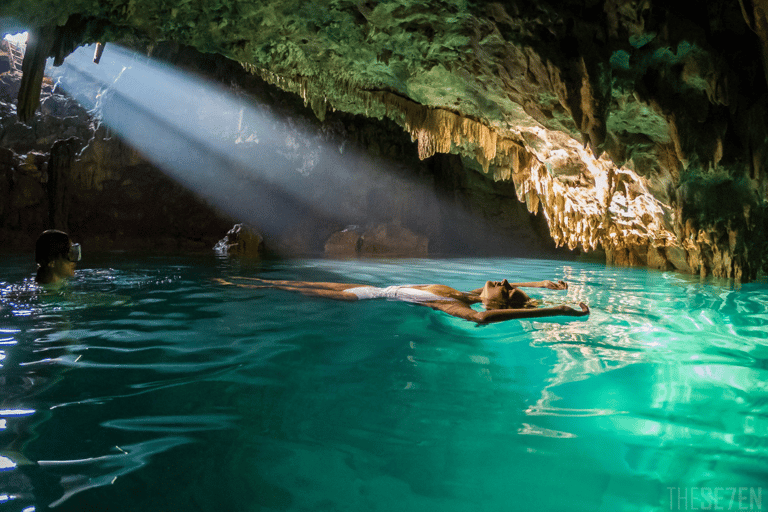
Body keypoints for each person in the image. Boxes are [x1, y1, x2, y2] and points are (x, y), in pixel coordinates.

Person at [214, 276, 589, 324]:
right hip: (376, 287)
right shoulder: (468, 295)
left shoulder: (457, 306)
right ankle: (243, 281)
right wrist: (537, 284)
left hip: (369, 297)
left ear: (496, 301)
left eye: (505, 288)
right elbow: (489, 300)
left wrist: (556, 311)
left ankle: (238, 287)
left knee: (291, 290)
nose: (504, 281)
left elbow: (482, 319)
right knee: (284, 281)